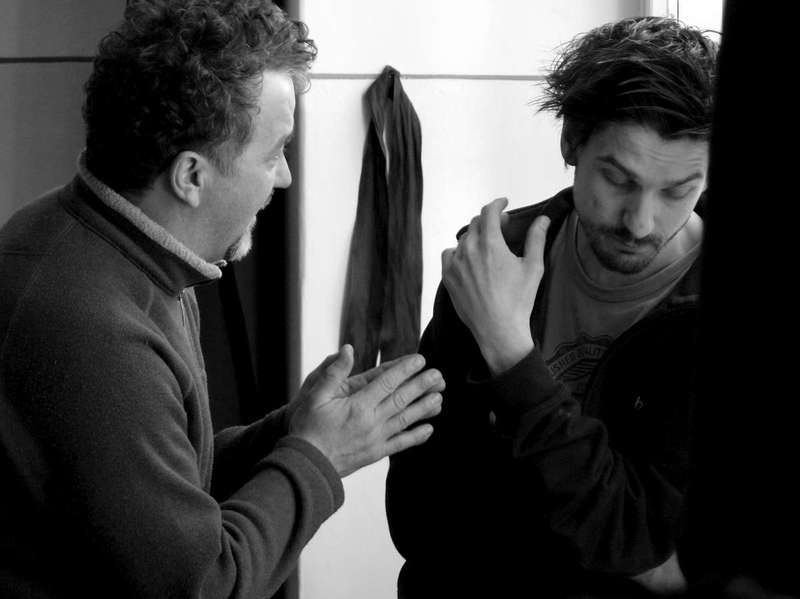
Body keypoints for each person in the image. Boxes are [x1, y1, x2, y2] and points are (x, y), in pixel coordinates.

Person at [0, 2, 445, 598]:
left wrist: (295, 428)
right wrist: (320, 456)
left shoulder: (109, 240)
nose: (284, 177)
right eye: (273, 152)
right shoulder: (93, 328)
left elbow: (160, 483)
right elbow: (207, 584)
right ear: (191, 176)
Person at [386, 16, 717, 599]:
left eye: (678, 191)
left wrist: (510, 353)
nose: (641, 222)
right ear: (571, 142)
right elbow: (420, 514)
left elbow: (637, 537)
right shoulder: (493, 260)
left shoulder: (717, 314)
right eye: (617, 179)